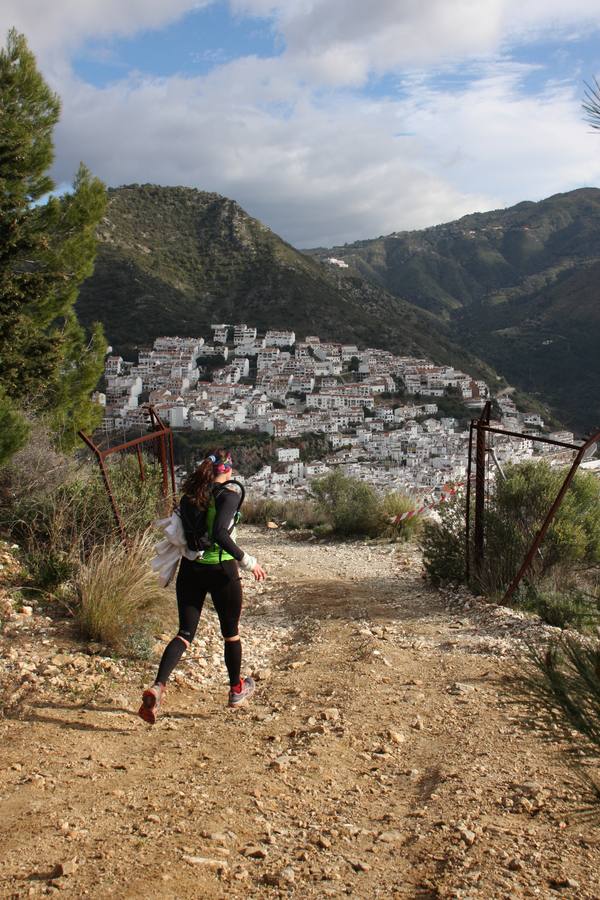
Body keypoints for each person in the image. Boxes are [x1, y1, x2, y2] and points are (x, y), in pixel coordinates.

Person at [139, 450, 267, 723]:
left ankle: (158, 686)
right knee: (230, 633)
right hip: (221, 570)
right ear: (228, 470)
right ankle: (236, 690)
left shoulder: (190, 497)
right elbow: (221, 533)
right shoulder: (229, 495)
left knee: (185, 633)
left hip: (191, 568)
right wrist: (248, 561)